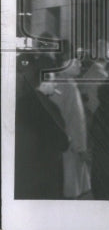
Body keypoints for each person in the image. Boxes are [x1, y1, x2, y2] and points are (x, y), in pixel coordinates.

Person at [15, 54, 69, 199]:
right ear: (44, 82)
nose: (56, 84)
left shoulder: (21, 103)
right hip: (47, 173)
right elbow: (62, 142)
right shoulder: (50, 107)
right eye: (53, 81)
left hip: (25, 172)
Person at [39, 51, 91, 198]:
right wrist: (81, 148)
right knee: (69, 190)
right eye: (76, 61)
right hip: (69, 148)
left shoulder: (53, 82)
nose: (80, 64)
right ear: (64, 64)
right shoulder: (68, 86)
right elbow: (77, 120)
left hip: (53, 146)